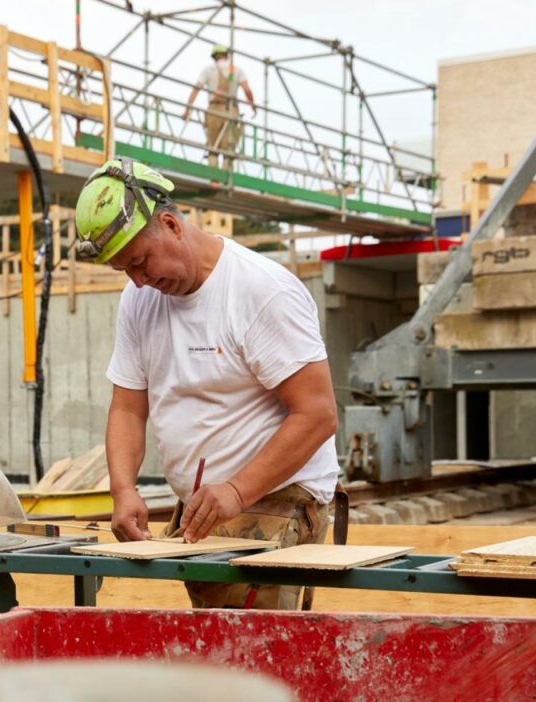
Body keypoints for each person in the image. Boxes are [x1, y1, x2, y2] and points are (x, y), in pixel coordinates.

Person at [74, 158, 339, 610]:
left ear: (171, 224)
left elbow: (317, 414)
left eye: (140, 261)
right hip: (208, 507)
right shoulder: (140, 301)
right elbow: (127, 407)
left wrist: (236, 490)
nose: (138, 281)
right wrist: (123, 490)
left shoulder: (261, 291)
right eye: (125, 271)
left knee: (256, 656)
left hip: (274, 500)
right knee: (219, 653)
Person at [182, 44, 257, 170]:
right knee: (229, 147)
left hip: (214, 111)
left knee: (213, 146)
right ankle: (227, 177)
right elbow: (247, 90)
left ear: (214, 57)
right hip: (231, 110)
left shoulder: (208, 70)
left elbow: (196, 89)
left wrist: (187, 110)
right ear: (227, 56)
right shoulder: (236, 70)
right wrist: (253, 105)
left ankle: (214, 178)